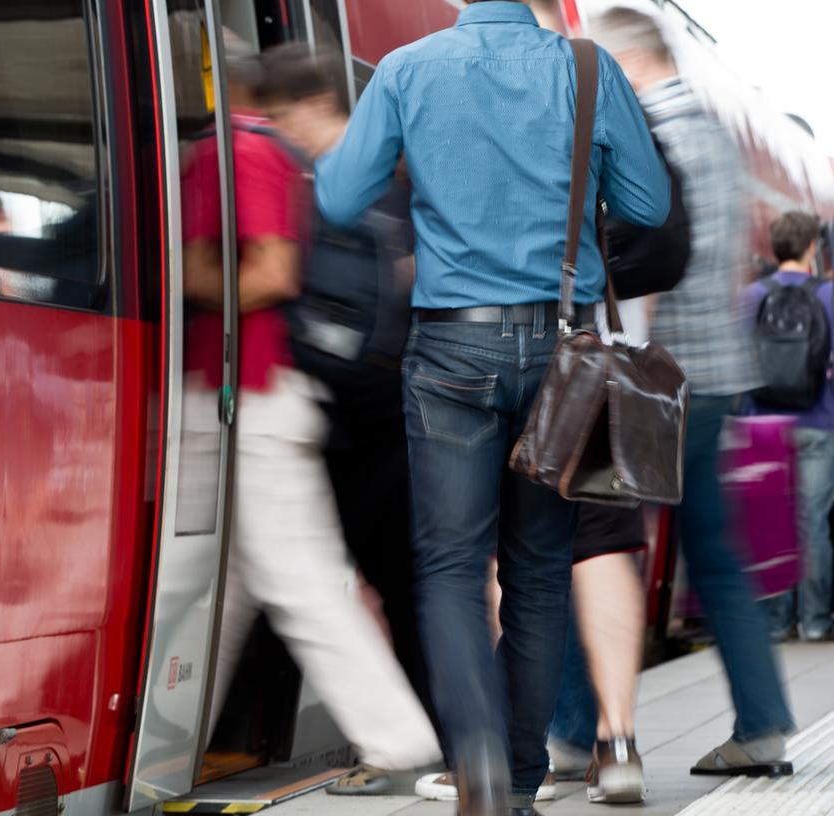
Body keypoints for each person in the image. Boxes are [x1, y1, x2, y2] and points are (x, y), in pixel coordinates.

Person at [314, 2, 671, 814]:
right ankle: (514, 778)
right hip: (562, 356)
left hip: (450, 350)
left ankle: (473, 759)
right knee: (539, 573)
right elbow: (647, 204)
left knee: (447, 569)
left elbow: (338, 199)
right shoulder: (588, 68)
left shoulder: (408, 68)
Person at [189, 38, 441, 778]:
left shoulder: (255, 155)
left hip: (283, 396)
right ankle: (187, 736)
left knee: (303, 581)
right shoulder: (342, 167)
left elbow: (269, 271)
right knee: (242, 581)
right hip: (323, 396)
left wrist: (183, 279)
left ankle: (401, 737)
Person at [596, 6, 796, 779]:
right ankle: (762, 726)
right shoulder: (711, 129)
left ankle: (576, 732)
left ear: (625, 63)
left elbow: (645, 252)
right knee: (716, 556)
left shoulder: (648, 131)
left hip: (653, 380)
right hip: (715, 377)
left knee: (595, 548)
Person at [746, 211, 834, 642]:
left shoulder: (751, 296)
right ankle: (815, 623)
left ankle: (775, 623)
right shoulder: (830, 295)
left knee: (769, 524)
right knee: (812, 523)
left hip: (763, 426)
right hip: (819, 423)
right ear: (812, 249)